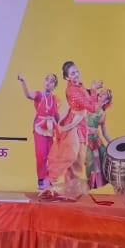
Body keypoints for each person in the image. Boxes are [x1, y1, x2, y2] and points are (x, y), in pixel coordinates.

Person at [43, 61, 101, 200]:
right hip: (74, 124)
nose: (76, 74)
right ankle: (50, 181)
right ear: (67, 77)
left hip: (81, 123)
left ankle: (70, 191)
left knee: (78, 160)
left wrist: (92, 92)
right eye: (72, 73)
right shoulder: (72, 90)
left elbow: (88, 105)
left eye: (77, 71)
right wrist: (93, 90)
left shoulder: (79, 85)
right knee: (70, 155)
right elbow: (91, 107)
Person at [17, 73, 59, 190]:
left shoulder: (54, 99)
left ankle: (49, 181)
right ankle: (41, 180)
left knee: (52, 156)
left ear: (54, 86)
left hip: (51, 130)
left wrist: (62, 129)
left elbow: (56, 115)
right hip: (40, 129)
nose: (48, 83)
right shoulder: (39, 95)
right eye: (47, 80)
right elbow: (28, 95)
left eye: (51, 81)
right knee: (41, 155)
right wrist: (23, 81)